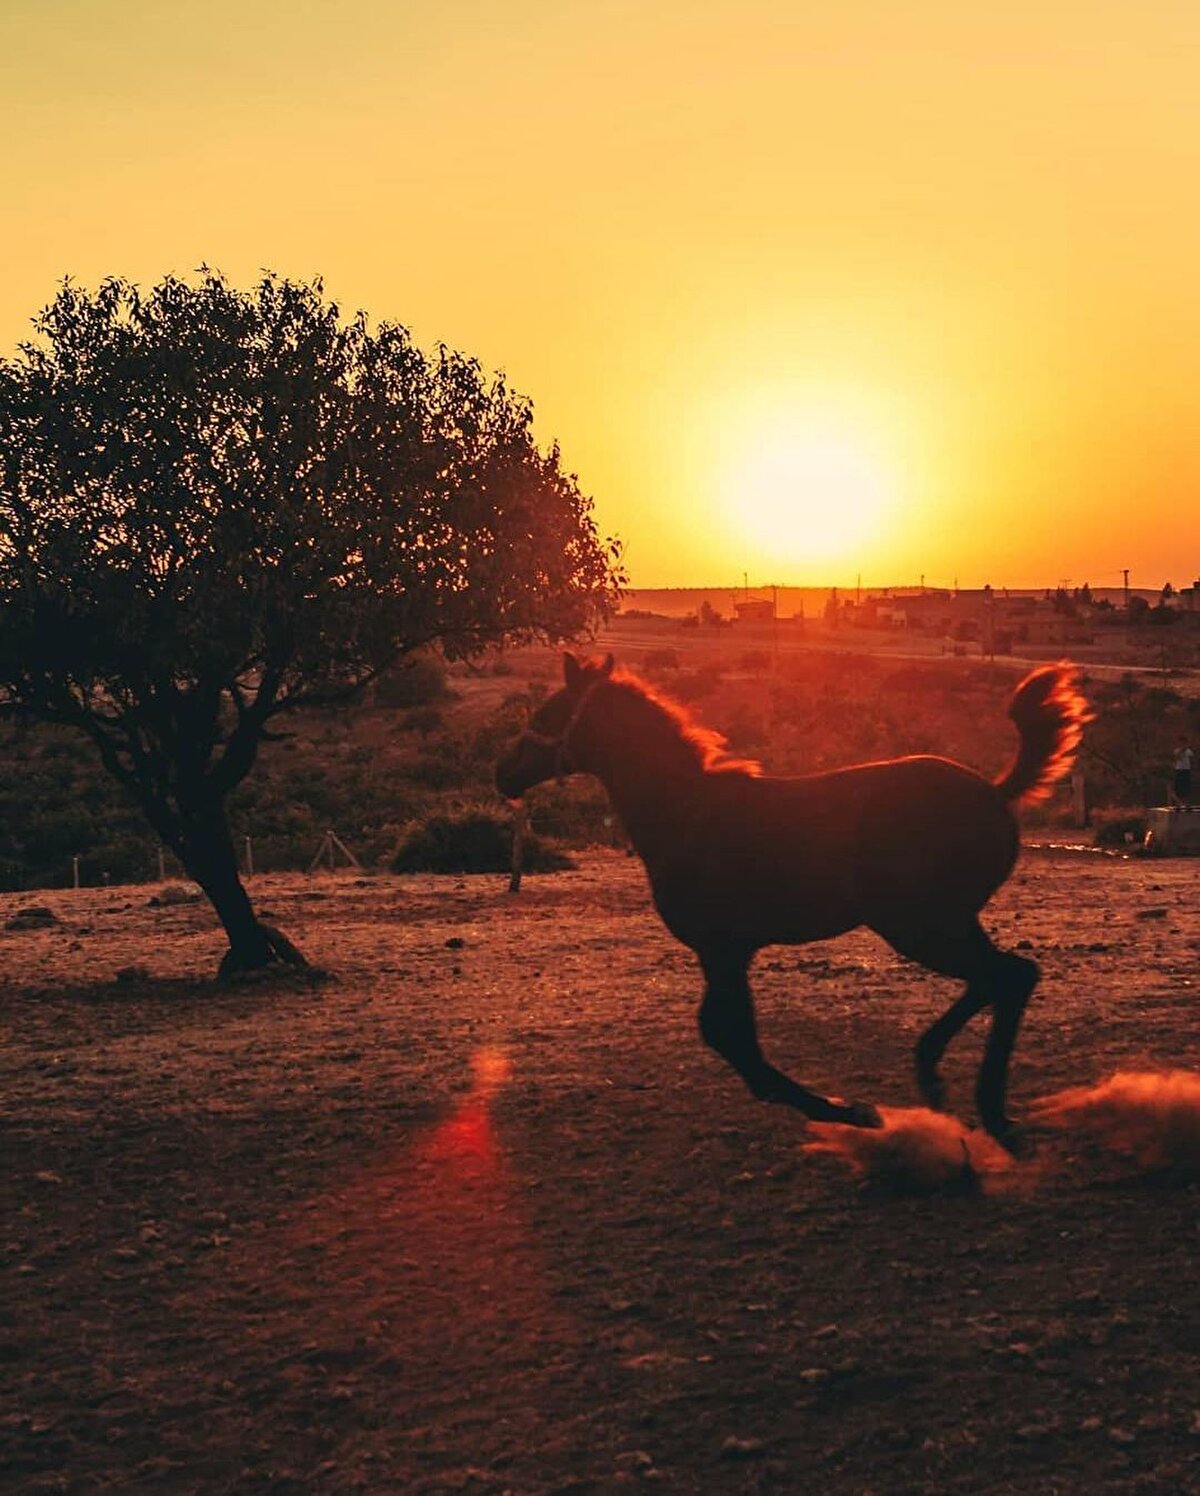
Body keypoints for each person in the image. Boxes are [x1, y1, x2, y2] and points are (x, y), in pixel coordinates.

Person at [1172, 736, 1194, 810]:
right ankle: (1178, 804)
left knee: (1186, 788)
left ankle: (1187, 804)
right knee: (1178, 788)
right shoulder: (1176, 751)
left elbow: (1191, 758)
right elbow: (1177, 757)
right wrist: (1181, 751)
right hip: (1179, 770)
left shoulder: (1189, 751)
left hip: (1186, 770)